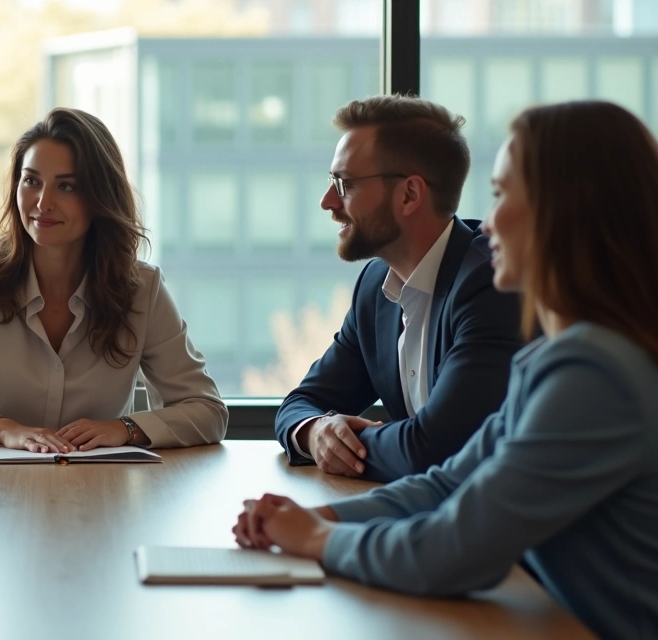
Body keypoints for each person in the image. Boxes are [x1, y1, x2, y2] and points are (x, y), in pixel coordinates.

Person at [235, 100, 658, 640]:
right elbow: (447, 484)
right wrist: (319, 518)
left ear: (567, 213)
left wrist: (315, 541)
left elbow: (458, 551)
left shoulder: (597, 374)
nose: (490, 219)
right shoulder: (556, 360)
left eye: (504, 194)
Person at [0, 107, 227, 452]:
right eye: (31, 181)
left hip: (101, 493)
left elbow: (207, 411)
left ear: (100, 197)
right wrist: (4, 430)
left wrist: (124, 429)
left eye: (67, 186)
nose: (43, 202)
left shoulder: (141, 289)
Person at [274, 95, 523, 482]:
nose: (327, 202)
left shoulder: (489, 285)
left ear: (409, 194)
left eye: (344, 184)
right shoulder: (375, 287)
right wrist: (316, 431)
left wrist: (350, 443)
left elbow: (433, 450)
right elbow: (302, 403)